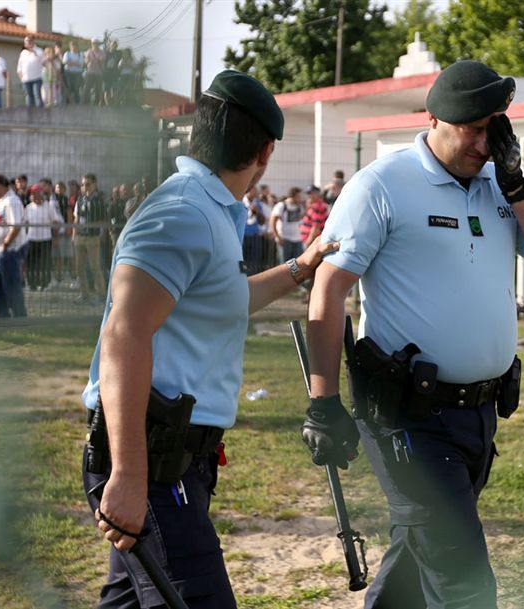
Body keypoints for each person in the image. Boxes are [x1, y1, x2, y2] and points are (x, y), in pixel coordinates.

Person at [303, 60, 524, 609]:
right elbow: (328, 290)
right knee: (465, 584)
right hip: (409, 419)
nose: (485, 142)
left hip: (478, 415)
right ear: (433, 118)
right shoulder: (382, 184)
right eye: (473, 129)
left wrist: (519, 187)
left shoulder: (501, 186)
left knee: (413, 564)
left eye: (495, 127)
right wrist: (323, 403)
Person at [80, 70, 339, 608]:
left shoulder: (209, 209)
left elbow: (222, 301)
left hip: (171, 457)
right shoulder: (184, 213)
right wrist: (129, 475)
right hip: (151, 461)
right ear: (266, 150)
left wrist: (300, 265)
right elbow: (123, 337)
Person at [0, 173, 27, 318]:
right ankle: (3, 316)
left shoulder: (12, 201)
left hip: (11, 250)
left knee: (12, 285)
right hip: (5, 251)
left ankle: (20, 317)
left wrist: (5, 244)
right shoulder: (3, 200)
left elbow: (16, 226)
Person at [73, 173, 107, 303]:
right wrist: (74, 235)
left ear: (94, 185)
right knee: (79, 267)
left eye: (88, 184)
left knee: (95, 267)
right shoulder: (80, 200)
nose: (85, 187)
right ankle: (84, 294)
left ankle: (101, 295)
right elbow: (76, 218)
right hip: (80, 237)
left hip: (92, 237)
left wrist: (101, 234)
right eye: (82, 184)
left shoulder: (99, 201)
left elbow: (103, 220)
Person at [270, 186, 304, 264]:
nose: (300, 198)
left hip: (297, 239)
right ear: (293, 196)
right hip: (285, 239)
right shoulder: (281, 205)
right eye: (298, 196)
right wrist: (277, 237)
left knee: (296, 265)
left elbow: (301, 218)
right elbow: (273, 221)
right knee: (285, 265)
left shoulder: (299, 206)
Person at [17, 36, 44, 108]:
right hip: (26, 80)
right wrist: (21, 79)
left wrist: (34, 52)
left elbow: (43, 62)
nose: (27, 42)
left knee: (37, 95)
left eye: (29, 41)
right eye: (26, 41)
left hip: (37, 78)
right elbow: (19, 68)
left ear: (33, 41)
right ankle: (30, 115)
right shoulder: (23, 53)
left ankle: (40, 115)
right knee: (28, 97)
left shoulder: (39, 51)